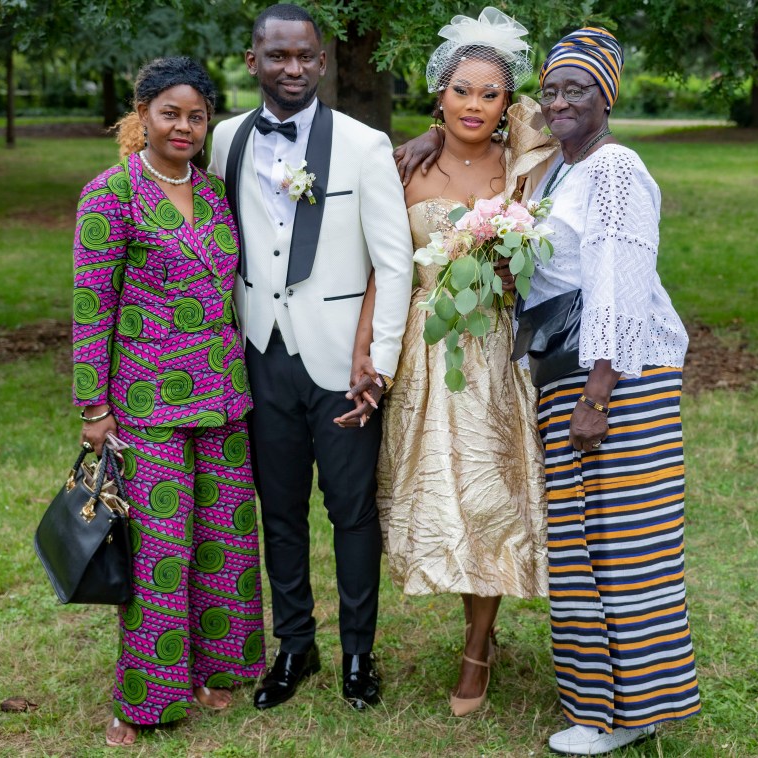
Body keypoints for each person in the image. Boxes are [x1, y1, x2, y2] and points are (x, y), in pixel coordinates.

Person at [396, 25, 701, 757]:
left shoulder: (614, 167)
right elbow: (490, 128)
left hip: (614, 380)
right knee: (583, 547)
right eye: (553, 89)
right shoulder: (563, 168)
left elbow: (621, 282)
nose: (560, 102)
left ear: (608, 99)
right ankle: (602, 704)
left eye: (579, 90)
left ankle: (628, 710)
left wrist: (598, 394)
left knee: (623, 547)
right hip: (562, 371)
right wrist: (431, 135)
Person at [340, 7, 554, 718]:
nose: (474, 105)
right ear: (440, 92)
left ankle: (477, 647)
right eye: (462, 90)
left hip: (493, 349)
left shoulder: (525, 165)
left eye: (491, 93)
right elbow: (383, 267)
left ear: (506, 102)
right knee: (443, 494)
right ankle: (473, 622)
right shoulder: (404, 165)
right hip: (427, 350)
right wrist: (368, 352)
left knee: (493, 494)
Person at [207, 4, 413, 711]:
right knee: (281, 510)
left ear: (322, 62)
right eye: (277, 56)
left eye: (304, 57)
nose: (291, 68)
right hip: (259, 353)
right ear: (253, 60)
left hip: (342, 364)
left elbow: (395, 263)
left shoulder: (364, 145)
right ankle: (295, 645)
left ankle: (359, 652)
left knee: (351, 512)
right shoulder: (226, 139)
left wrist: (379, 362)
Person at [72, 56, 265, 748]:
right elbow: (91, 306)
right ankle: (143, 700)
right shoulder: (110, 194)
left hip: (222, 396)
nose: (184, 126)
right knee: (159, 551)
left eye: (196, 116)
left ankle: (213, 671)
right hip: (147, 402)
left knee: (224, 541)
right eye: (170, 113)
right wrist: (94, 408)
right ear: (143, 114)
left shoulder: (213, 192)